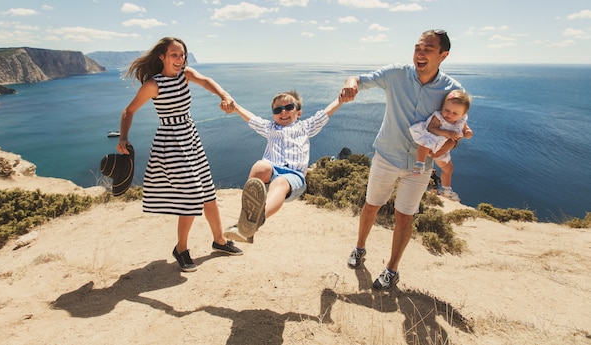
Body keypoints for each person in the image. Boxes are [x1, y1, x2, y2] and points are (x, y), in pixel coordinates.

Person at [340, 29, 464, 290]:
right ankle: (360, 248)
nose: (420, 54)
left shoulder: (452, 91)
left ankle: (391, 269)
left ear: (444, 55)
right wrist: (352, 84)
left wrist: (446, 145)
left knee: (404, 217)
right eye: (418, 48)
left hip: (420, 167)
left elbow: (458, 130)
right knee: (371, 205)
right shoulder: (397, 74)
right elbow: (360, 79)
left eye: (428, 49)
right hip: (387, 155)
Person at [116, 37, 242, 272]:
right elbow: (128, 111)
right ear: (162, 57)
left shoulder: (186, 74)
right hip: (170, 142)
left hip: (191, 138)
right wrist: (123, 138)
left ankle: (220, 241)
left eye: (182, 54)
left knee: (208, 193)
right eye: (174, 54)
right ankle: (181, 249)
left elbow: (207, 81)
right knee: (193, 195)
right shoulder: (154, 85)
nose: (179, 59)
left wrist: (225, 96)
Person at [223, 90, 344, 243]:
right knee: (260, 166)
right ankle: (246, 221)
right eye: (277, 109)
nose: (283, 112)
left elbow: (325, 114)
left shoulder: (306, 127)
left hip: (294, 177)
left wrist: (340, 100)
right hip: (271, 171)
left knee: (280, 182)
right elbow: (251, 119)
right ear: (273, 114)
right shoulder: (269, 128)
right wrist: (235, 107)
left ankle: (254, 221)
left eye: (289, 107)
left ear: (298, 113)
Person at [409, 90, 473, 201]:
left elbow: (464, 128)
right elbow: (431, 128)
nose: (449, 114)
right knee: (424, 145)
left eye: (455, 113)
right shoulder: (439, 117)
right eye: (447, 110)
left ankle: (446, 189)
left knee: (448, 168)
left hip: (444, 148)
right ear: (442, 106)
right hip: (433, 139)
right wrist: (447, 133)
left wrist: (468, 132)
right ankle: (420, 164)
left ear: (462, 115)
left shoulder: (461, 120)